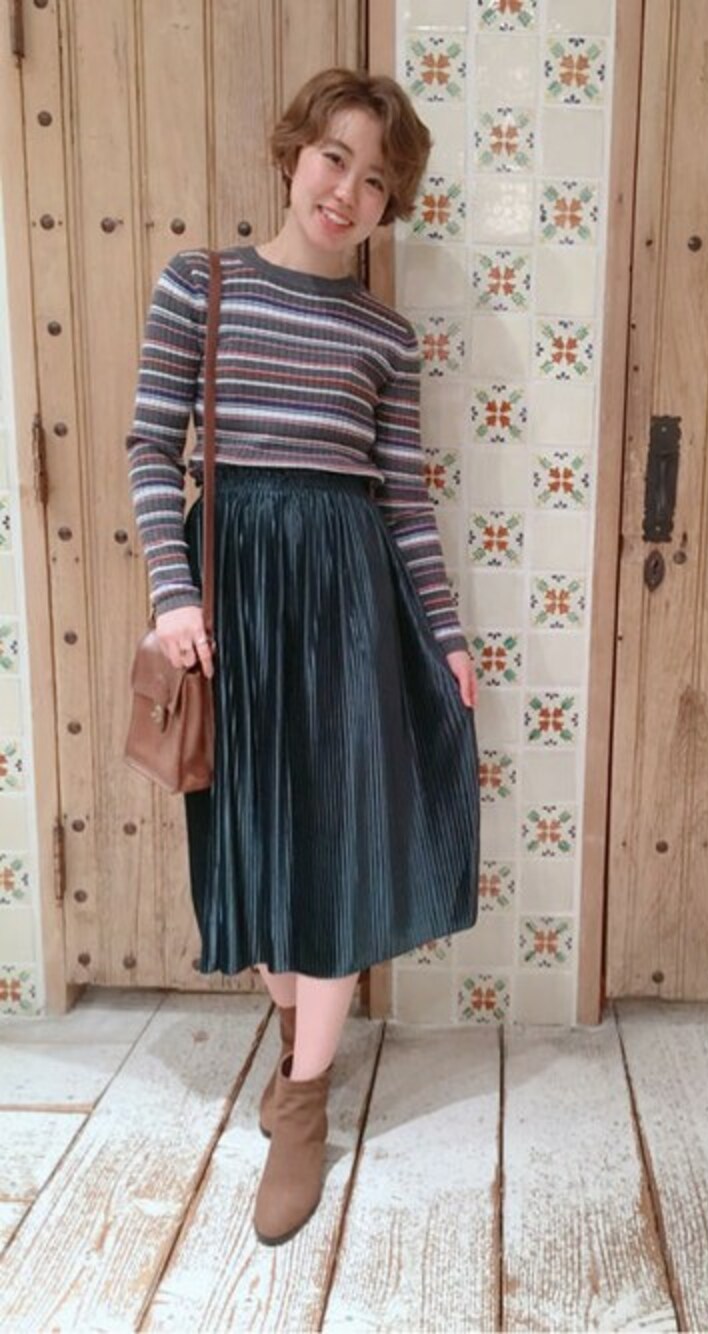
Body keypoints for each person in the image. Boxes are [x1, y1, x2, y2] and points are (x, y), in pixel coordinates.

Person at [125, 68, 480, 1247]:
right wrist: (174, 592)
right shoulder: (201, 286)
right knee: (253, 839)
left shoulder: (385, 335)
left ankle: (304, 1100)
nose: (348, 191)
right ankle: (299, 1027)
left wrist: (444, 634)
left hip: (346, 606)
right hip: (232, 602)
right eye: (336, 158)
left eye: (377, 180)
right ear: (293, 155)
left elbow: (405, 501)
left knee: (330, 844)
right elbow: (150, 446)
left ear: (390, 205)